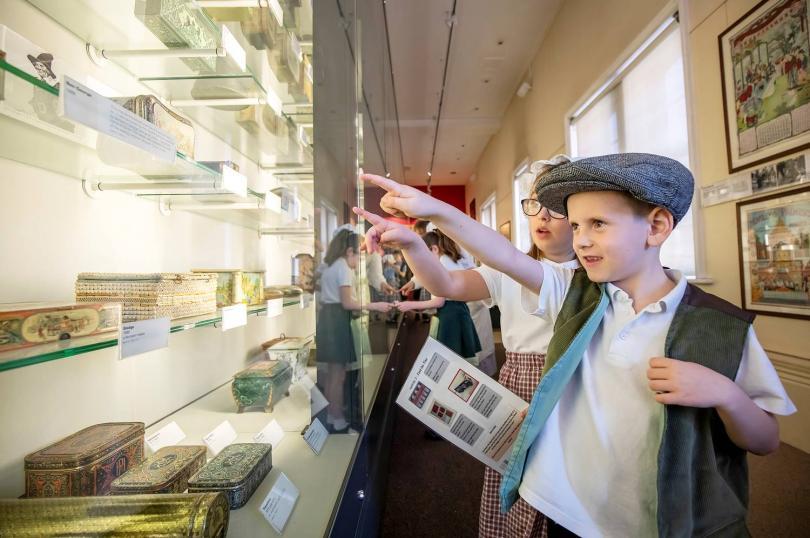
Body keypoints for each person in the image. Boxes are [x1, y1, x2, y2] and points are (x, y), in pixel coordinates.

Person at [358, 153, 795, 537]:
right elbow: (505, 258)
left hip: (650, 519)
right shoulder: (575, 293)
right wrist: (432, 213)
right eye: (580, 224)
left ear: (657, 226)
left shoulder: (718, 327)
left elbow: (765, 440)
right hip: (560, 508)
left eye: (598, 224)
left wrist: (725, 394)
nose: (583, 238)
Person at [355, 158, 578, 537]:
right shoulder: (511, 269)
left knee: (558, 491)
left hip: (565, 392)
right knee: (515, 486)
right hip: (515, 388)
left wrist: (434, 212)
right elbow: (447, 284)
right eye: (535, 203)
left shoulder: (584, 278)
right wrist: (411, 242)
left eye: (557, 206)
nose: (542, 216)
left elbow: (505, 258)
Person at [316, 228, 392, 433]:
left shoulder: (331, 265)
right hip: (337, 319)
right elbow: (348, 303)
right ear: (349, 251)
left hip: (329, 319)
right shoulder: (343, 268)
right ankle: (338, 420)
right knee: (338, 375)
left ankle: (333, 416)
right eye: (359, 254)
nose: (360, 259)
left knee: (333, 374)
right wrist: (374, 306)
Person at [395, 230, 482, 364]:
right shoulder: (448, 259)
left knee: (450, 362)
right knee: (460, 362)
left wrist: (410, 305)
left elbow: (438, 301)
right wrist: (414, 282)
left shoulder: (441, 264)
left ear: (434, 249)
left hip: (450, 317)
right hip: (460, 312)